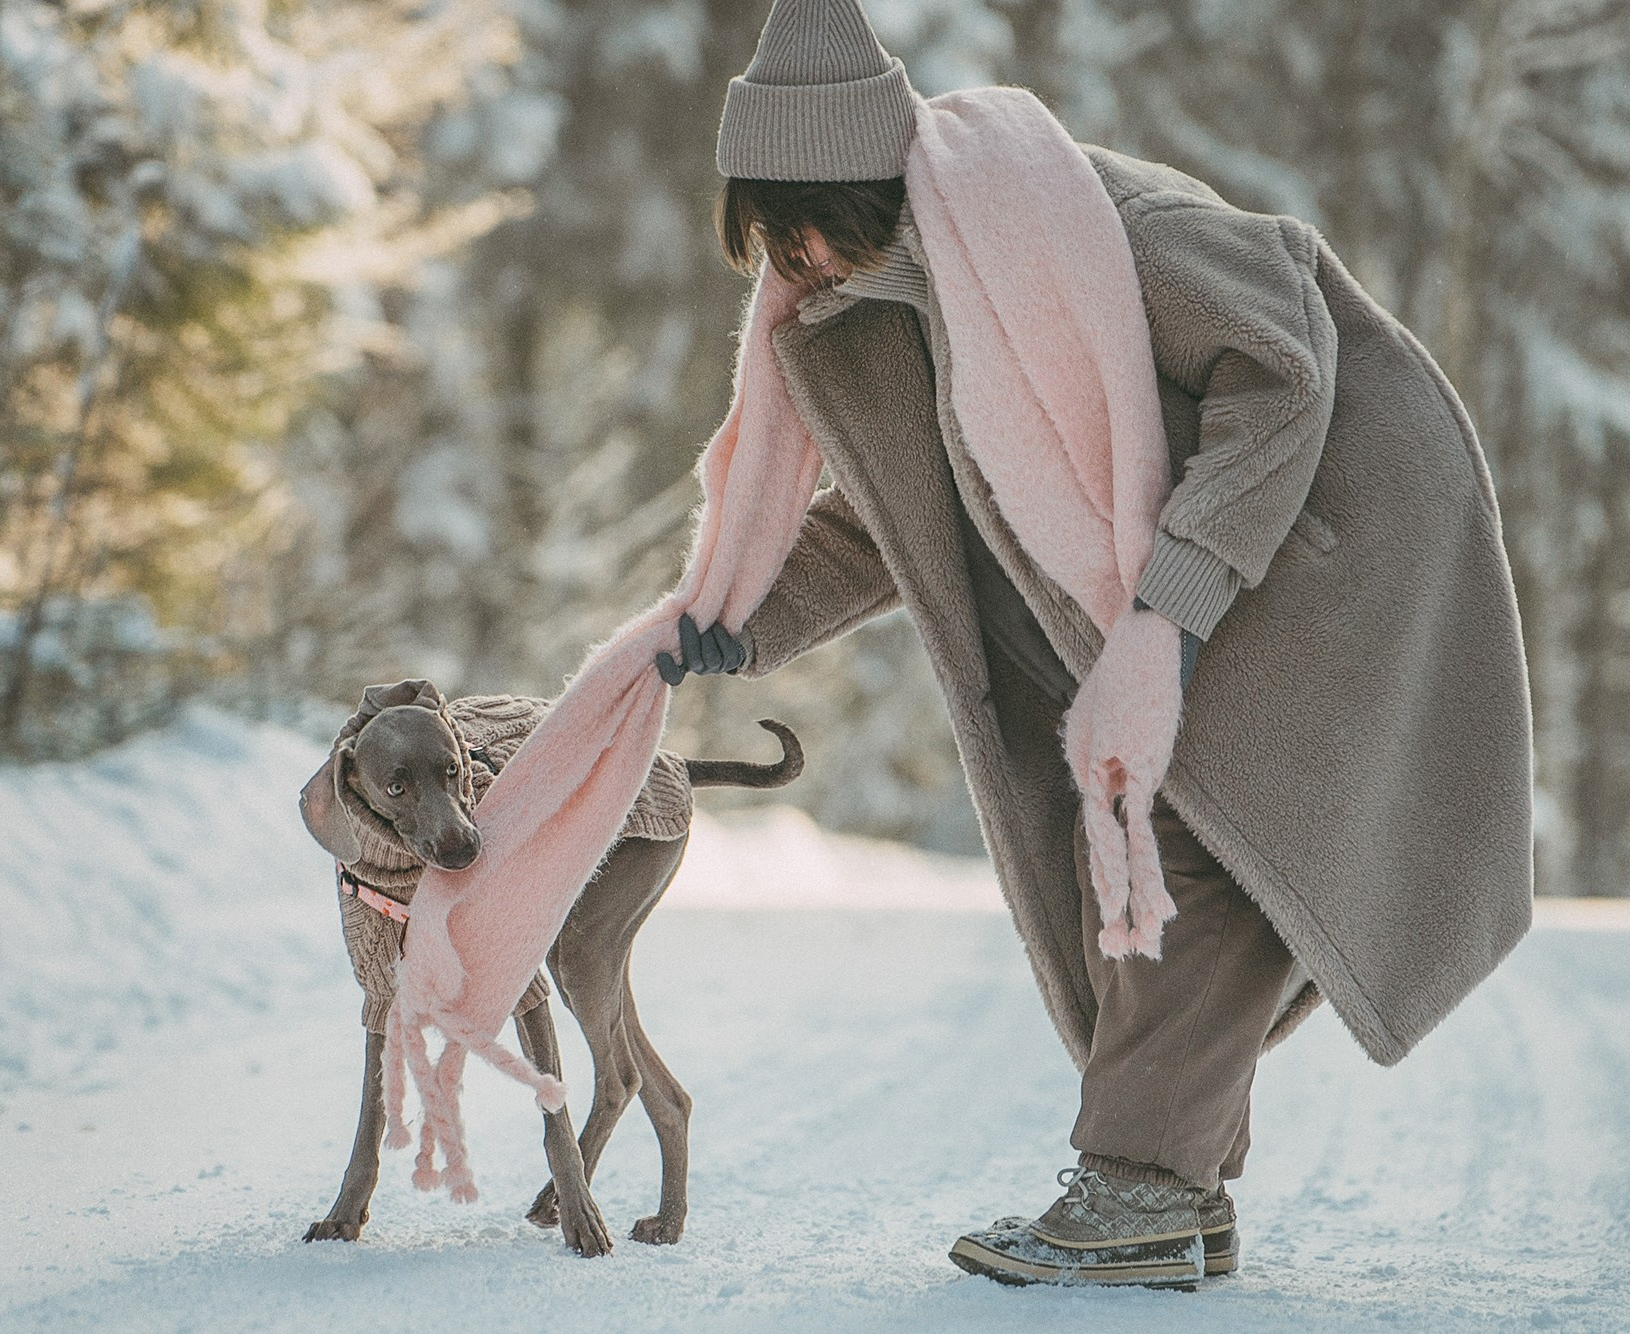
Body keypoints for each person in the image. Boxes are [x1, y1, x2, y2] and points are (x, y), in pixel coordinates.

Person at [657, 0, 1534, 1288]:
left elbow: (1283, 369)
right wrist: (739, 616)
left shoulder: (1091, 223)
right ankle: (1171, 1186)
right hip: (1223, 532)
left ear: (863, 181)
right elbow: (909, 511)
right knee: (1138, 817)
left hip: (1340, 512)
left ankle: (1142, 1188)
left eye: (802, 225)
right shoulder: (891, 294)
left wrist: (1173, 604)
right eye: (768, 239)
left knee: (1195, 821)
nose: (794, 261)